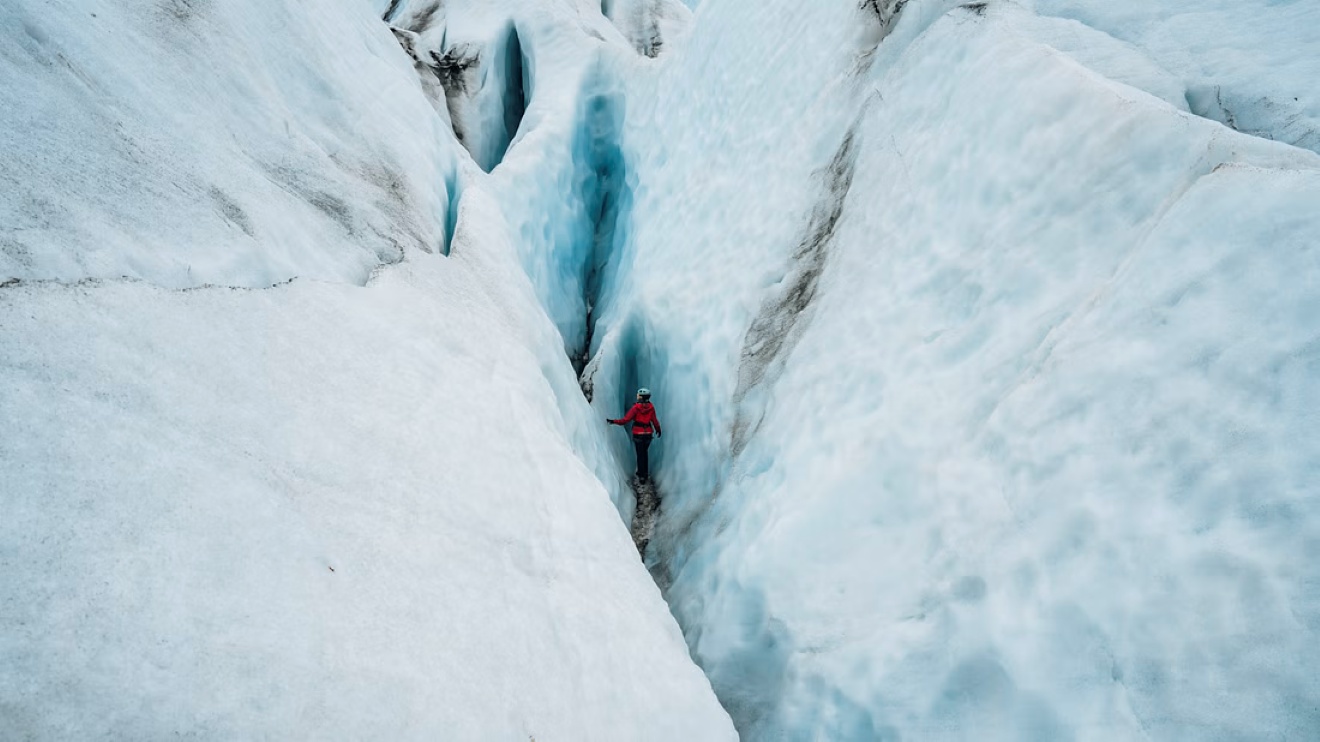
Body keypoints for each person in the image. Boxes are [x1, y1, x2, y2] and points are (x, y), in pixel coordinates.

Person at [608, 388, 662, 482]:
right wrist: (658, 430)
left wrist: (614, 421)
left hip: (638, 434)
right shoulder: (651, 407)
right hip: (648, 434)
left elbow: (625, 420)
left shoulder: (636, 408)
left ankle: (641, 475)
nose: (637, 397)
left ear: (641, 397)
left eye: (638, 395)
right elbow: (655, 421)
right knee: (644, 454)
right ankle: (644, 473)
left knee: (640, 454)